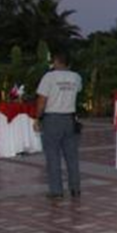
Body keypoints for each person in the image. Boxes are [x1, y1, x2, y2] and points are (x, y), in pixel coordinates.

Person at [35, 51, 84, 200]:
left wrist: (37, 118)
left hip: (52, 119)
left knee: (53, 156)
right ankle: (75, 188)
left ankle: (56, 191)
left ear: (56, 61)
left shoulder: (49, 77)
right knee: (72, 156)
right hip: (70, 118)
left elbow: (42, 100)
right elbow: (78, 90)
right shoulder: (76, 77)